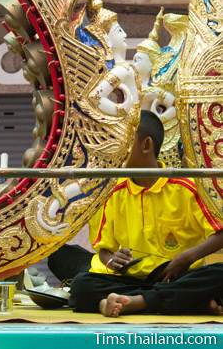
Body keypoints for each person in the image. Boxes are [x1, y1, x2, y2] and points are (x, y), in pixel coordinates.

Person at [70, 110, 223, 317]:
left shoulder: (187, 187)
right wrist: (112, 261)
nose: (113, 149)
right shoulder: (113, 191)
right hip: (132, 279)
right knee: (82, 285)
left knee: (218, 274)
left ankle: (134, 302)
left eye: (121, 141)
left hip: (178, 275)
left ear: (146, 145)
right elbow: (105, 251)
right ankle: (185, 302)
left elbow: (220, 233)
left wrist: (187, 257)